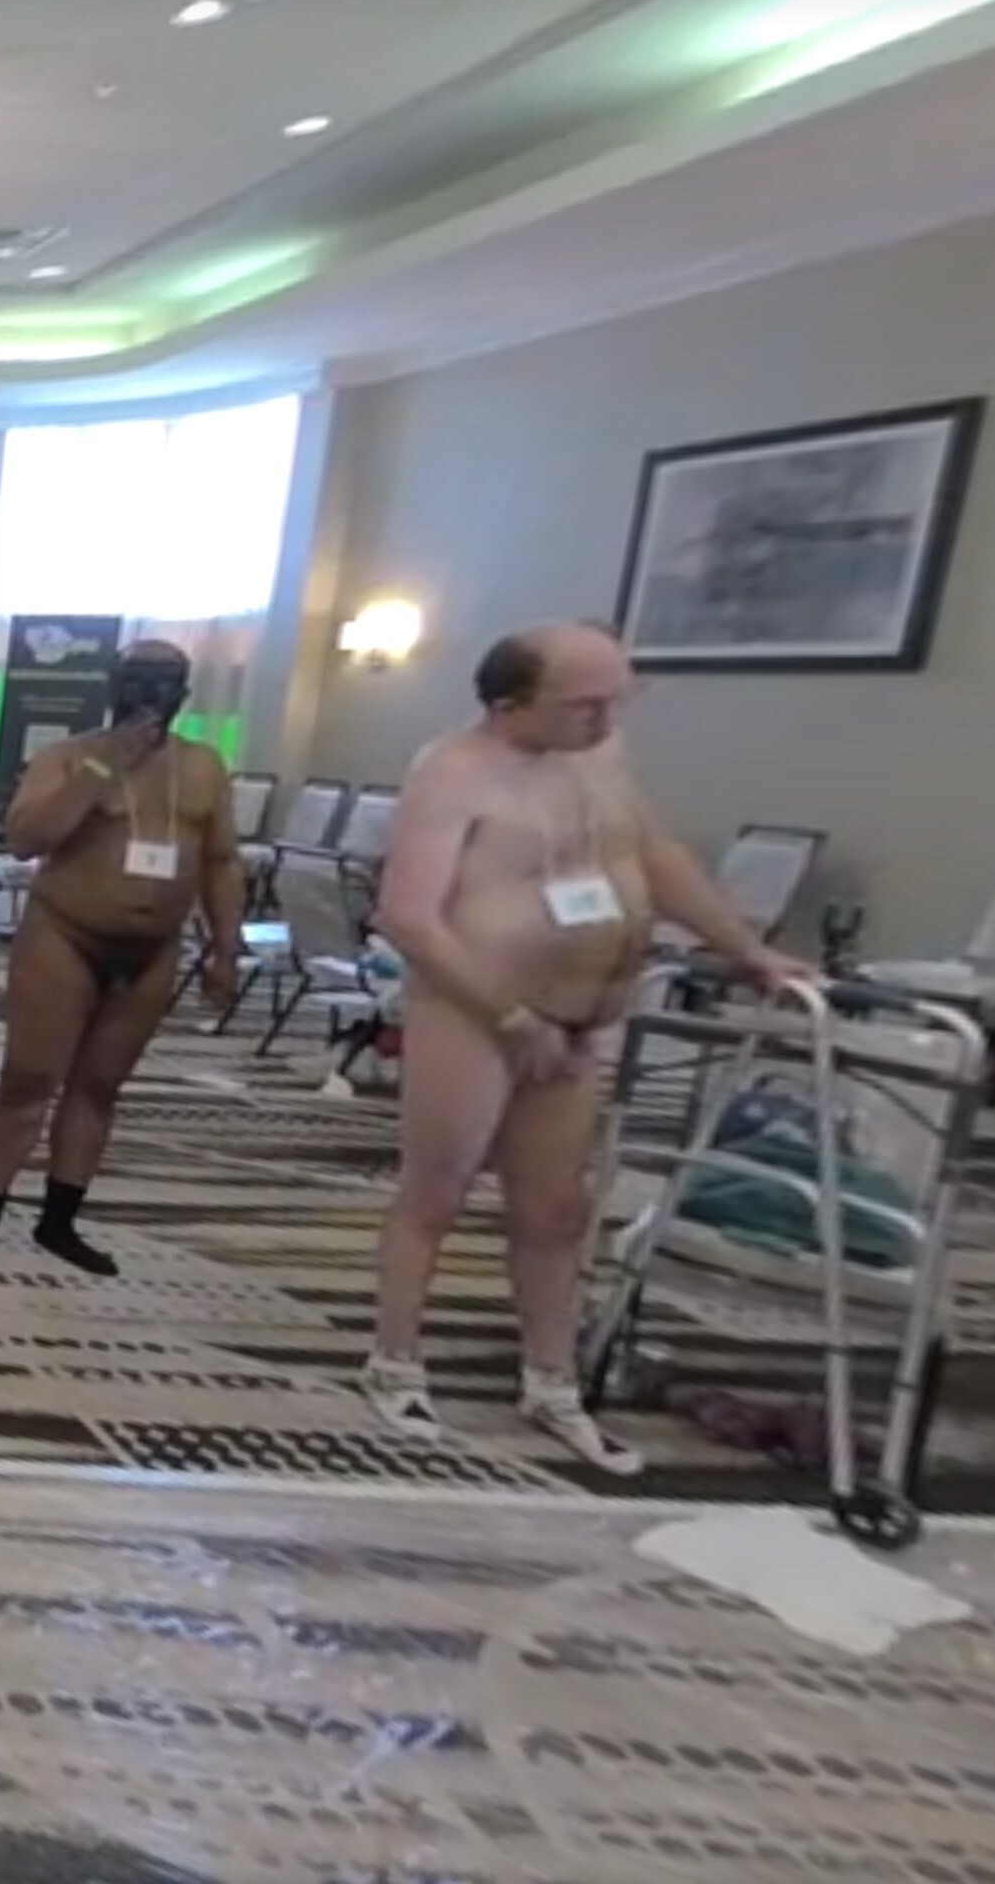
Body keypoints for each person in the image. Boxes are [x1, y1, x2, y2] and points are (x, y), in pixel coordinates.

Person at [357, 624, 814, 1473]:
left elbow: (654, 857)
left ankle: (550, 1379)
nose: (604, 718)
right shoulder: (452, 772)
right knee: (436, 1193)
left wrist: (744, 949)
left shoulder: (598, 757)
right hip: (475, 1012)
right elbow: (408, 917)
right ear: (510, 704)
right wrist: (509, 1017)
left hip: (582, 1017)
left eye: (616, 699)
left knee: (557, 1209)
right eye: (582, 704)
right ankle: (395, 1361)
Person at [0, 642, 244, 1278]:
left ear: (184, 692)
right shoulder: (68, 757)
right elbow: (25, 838)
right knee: (28, 1079)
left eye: (165, 681)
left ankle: (60, 1220)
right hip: (65, 936)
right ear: (114, 686)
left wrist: (225, 947)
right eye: (138, 680)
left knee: (100, 1086)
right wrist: (104, 767)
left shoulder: (204, 767)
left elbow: (221, 861)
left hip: (154, 947)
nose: (151, 694)